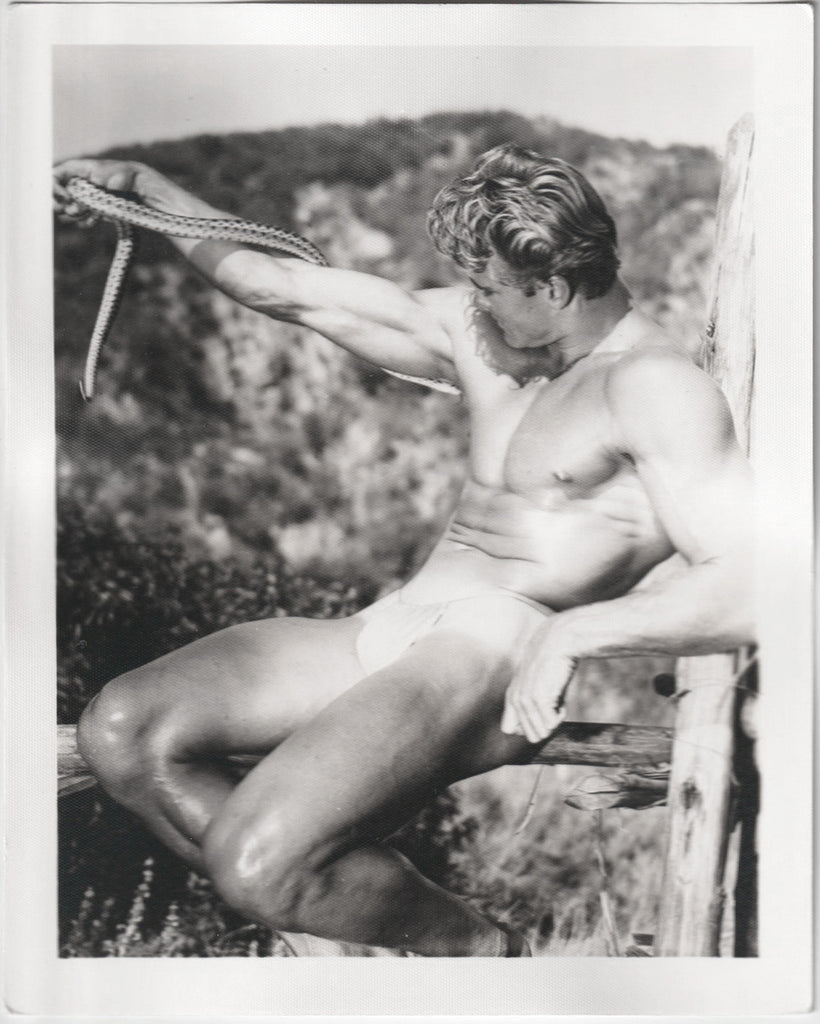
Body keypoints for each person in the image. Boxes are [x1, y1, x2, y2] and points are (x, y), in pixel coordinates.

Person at [52, 144, 755, 957]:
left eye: (489, 287)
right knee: (125, 732)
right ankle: (317, 894)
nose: (475, 307)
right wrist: (143, 187)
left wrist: (578, 634)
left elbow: (752, 582)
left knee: (255, 864)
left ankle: (484, 956)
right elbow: (275, 288)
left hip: (496, 645)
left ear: (554, 286)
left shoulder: (653, 387)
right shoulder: (490, 337)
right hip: (398, 622)